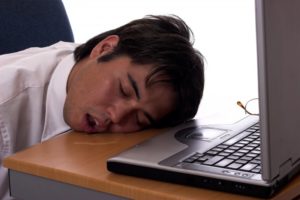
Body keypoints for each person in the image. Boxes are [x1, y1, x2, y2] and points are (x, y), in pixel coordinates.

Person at [0, 15, 204, 199]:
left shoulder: (85, 64)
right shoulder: (5, 108)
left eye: (139, 118)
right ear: (104, 48)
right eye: (124, 90)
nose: (117, 116)